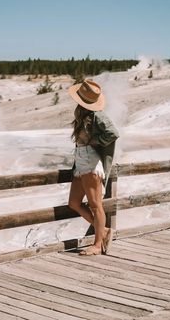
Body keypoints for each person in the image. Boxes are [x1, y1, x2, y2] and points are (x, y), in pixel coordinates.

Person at [68, 79, 119, 255]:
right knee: (73, 203)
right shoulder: (83, 114)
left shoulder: (98, 115)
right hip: (81, 161)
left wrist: (95, 142)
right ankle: (103, 231)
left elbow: (113, 133)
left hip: (90, 160)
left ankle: (97, 245)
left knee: (95, 205)